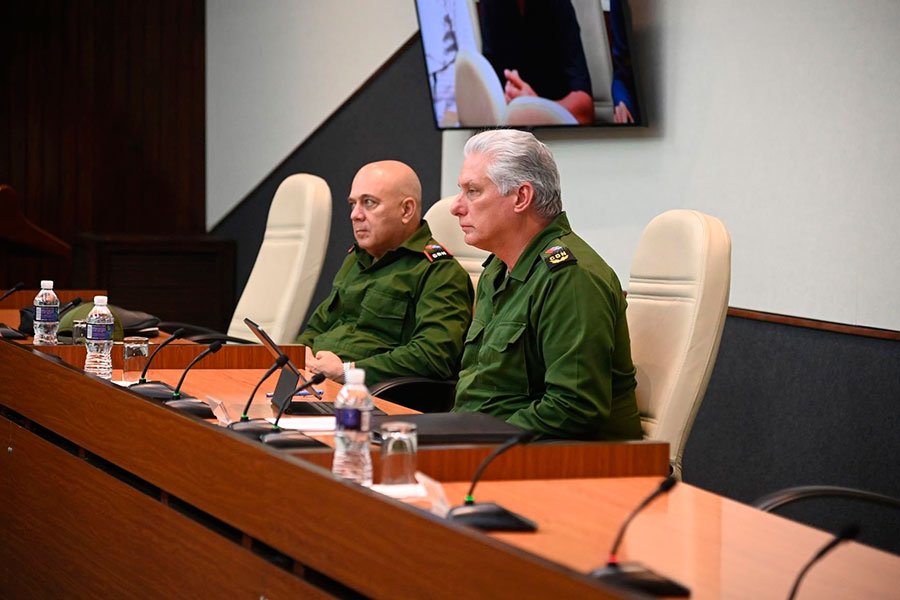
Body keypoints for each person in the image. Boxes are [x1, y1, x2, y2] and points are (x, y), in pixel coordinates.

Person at [450, 130, 641, 440]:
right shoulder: (497, 269)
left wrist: (476, 440)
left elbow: (574, 407)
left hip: (564, 465)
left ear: (521, 198)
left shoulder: (570, 277)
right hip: (488, 444)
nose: (456, 207)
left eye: (473, 191)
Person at [298, 161, 474, 387]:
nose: (355, 215)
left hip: (374, 398)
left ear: (406, 210)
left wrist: (347, 372)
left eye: (369, 203)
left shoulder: (438, 271)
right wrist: (298, 356)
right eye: (353, 204)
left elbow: (432, 357)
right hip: (317, 384)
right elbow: (317, 328)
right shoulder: (356, 259)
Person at [479, 0, 595, 124]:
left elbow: (585, 111)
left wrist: (537, 107)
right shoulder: (491, 5)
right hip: (511, 131)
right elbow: (489, 94)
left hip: (558, 133)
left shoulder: (558, 5)